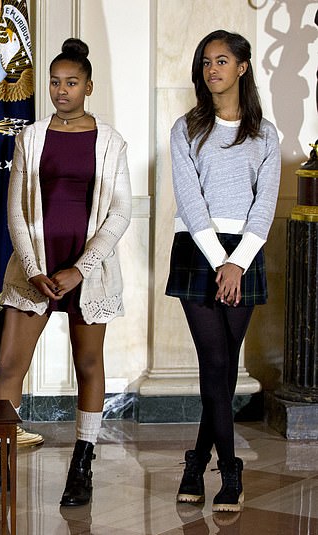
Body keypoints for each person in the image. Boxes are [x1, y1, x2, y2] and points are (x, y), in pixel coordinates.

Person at [0, 38, 132, 506]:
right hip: (35, 268)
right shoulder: (31, 136)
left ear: (89, 86)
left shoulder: (110, 141)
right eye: (54, 82)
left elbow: (121, 213)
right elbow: (16, 210)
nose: (61, 90)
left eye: (71, 83)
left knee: (88, 365)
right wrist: (34, 268)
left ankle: (82, 466)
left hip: (87, 270)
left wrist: (79, 271)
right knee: (10, 367)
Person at [166, 30, 280, 512]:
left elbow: (266, 205)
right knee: (214, 363)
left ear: (243, 67)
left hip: (246, 253)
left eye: (222, 60)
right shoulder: (186, 128)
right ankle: (229, 467)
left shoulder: (266, 134)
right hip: (199, 249)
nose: (213, 69)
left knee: (225, 368)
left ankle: (197, 460)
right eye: (206, 62)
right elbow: (190, 201)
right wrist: (221, 262)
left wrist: (239, 262)